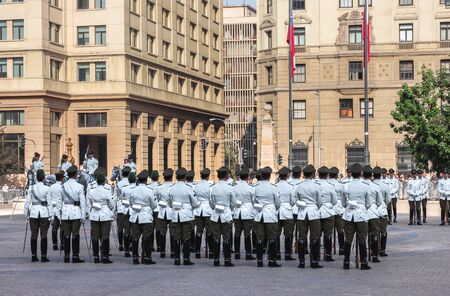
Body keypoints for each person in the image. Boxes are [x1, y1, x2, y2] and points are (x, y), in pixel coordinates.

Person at [341, 163, 372, 270]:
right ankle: (363, 262)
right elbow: (369, 204)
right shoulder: (365, 186)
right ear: (361, 173)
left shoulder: (345, 186)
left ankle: (346, 262)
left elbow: (343, 203)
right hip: (361, 215)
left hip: (349, 215)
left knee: (348, 239)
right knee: (362, 238)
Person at [168, 167, 199, 266]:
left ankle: (177, 259)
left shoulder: (172, 188)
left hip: (175, 215)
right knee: (186, 237)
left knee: (176, 237)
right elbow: (195, 203)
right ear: (185, 177)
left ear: (176, 177)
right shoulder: (188, 188)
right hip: (186, 215)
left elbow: (169, 203)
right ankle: (186, 259)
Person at [294, 165, 322, 269]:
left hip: (302, 213)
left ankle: (301, 262)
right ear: (313, 174)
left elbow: (294, 201)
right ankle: (314, 261)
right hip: (313, 213)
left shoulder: (299, 186)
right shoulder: (316, 186)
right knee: (315, 237)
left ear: (304, 174)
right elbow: (320, 202)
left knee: (302, 237)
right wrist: (315, 207)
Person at [253, 166, 281, 268]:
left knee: (259, 238)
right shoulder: (273, 187)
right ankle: (272, 260)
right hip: (270, 214)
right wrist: (275, 209)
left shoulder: (255, 187)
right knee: (272, 238)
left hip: (259, 214)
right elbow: (277, 203)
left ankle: (259, 260)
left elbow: (253, 201)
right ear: (269, 176)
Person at [129, 170, 158, 265]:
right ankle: (147, 257)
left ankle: (134, 258)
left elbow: (131, 203)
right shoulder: (150, 191)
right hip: (146, 216)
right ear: (146, 180)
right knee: (147, 237)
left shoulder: (133, 190)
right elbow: (154, 205)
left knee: (135, 237)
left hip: (135, 216)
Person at [209, 167, 236, 267]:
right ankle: (227, 260)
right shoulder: (230, 188)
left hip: (216, 214)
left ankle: (216, 260)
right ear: (226, 176)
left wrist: (215, 207)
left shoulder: (213, 188)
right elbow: (233, 203)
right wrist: (229, 209)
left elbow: (211, 203)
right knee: (226, 238)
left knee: (216, 238)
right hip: (226, 214)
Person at [24, 169, 52, 262]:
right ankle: (43, 256)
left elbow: (27, 203)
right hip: (44, 213)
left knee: (33, 235)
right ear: (43, 178)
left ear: (36, 178)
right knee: (44, 235)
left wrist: (26, 215)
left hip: (34, 213)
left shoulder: (31, 188)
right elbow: (49, 203)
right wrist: (51, 215)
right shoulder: (47, 188)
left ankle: (33, 255)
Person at [87, 170, 115, 264]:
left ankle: (96, 256)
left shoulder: (92, 191)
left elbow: (90, 203)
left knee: (95, 236)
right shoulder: (107, 191)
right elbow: (111, 204)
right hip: (105, 215)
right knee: (105, 236)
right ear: (103, 181)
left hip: (95, 214)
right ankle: (105, 257)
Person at [60, 165, 86, 263]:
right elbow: (82, 202)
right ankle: (75, 256)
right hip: (76, 212)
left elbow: (60, 201)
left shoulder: (63, 186)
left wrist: (59, 214)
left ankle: (66, 256)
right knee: (75, 234)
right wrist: (83, 216)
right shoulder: (80, 186)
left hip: (65, 212)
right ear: (75, 174)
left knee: (66, 234)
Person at [233, 166, 256, 261]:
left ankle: (237, 253)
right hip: (247, 212)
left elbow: (232, 200)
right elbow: (254, 201)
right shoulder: (251, 188)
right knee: (247, 234)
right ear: (247, 177)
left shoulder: (234, 188)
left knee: (237, 233)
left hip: (237, 212)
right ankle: (248, 253)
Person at [317, 166, 338, 262]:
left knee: (316, 234)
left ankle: (316, 255)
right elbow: (334, 201)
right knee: (328, 234)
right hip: (328, 212)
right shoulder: (330, 186)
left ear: (318, 174)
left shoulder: (315, 185)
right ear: (327, 175)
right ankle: (328, 255)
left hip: (316, 211)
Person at [364, 166, 384, 264]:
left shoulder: (360, 185)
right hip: (373, 213)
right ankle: (374, 255)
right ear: (371, 175)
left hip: (362, 214)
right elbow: (380, 202)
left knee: (362, 235)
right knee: (375, 234)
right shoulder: (375, 186)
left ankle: (362, 255)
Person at [275, 167, 296, 261]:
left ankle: (277, 253)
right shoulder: (290, 187)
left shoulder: (275, 186)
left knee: (276, 234)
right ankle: (287, 254)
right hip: (287, 210)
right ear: (287, 175)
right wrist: (288, 205)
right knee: (288, 234)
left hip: (277, 211)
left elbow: (274, 200)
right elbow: (293, 201)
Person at [193, 168, 214, 259]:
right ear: (208, 176)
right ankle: (211, 252)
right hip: (208, 210)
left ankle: (197, 252)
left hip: (198, 210)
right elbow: (211, 199)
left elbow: (194, 197)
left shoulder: (196, 186)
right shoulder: (210, 186)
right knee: (210, 231)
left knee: (199, 231)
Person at [155, 168, 174, 258]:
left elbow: (158, 199)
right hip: (172, 211)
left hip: (162, 211)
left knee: (162, 232)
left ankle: (162, 252)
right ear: (172, 177)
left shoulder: (159, 188)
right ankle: (173, 252)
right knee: (173, 233)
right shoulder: (174, 187)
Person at [117, 173, 136, 257]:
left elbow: (121, 198)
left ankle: (126, 250)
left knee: (126, 231)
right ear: (135, 180)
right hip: (134, 211)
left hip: (125, 211)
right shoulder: (136, 188)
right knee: (134, 230)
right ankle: (133, 247)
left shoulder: (124, 188)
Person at [373, 167, 390, 257]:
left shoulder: (370, 185)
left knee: (373, 232)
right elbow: (388, 199)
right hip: (382, 210)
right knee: (383, 231)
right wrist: (384, 205)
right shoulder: (385, 185)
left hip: (373, 210)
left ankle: (373, 250)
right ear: (380, 175)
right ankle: (382, 250)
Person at [328, 167, 345, 255]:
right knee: (340, 230)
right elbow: (344, 197)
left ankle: (328, 251)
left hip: (329, 208)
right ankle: (342, 248)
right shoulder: (341, 184)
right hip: (339, 208)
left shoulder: (327, 184)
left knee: (328, 231)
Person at [115, 167, 131, 251]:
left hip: (121, 206)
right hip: (130, 207)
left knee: (120, 227)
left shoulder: (119, 183)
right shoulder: (131, 183)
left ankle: (121, 244)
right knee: (129, 227)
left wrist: (114, 209)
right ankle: (129, 244)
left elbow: (116, 196)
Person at [49, 171, 64, 251]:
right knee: (62, 228)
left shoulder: (51, 187)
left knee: (54, 228)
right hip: (61, 208)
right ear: (62, 178)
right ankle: (62, 244)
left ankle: (55, 244)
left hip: (53, 208)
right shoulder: (63, 186)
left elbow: (49, 198)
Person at [148, 170, 160, 253]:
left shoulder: (148, 187)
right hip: (158, 209)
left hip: (151, 209)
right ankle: (159, 246)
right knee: (158, 229)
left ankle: (151, 246)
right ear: (158, 178)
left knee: (151, 229)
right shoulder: (160, 186)